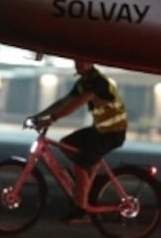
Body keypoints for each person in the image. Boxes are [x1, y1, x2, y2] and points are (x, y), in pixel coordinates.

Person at [28, 59, 128, 223]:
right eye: (76, 61)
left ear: (90, 63)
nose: (78, 64)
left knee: (81, 163)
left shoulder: (99, 82)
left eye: (82, 61)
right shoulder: (83, 83)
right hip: (100, 131)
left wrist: (52, 119)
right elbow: (63, 102)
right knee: (67, 143)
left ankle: (82, 209)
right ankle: (84, 186)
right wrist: (38, 117)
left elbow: (77, 103)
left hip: (113, 133)